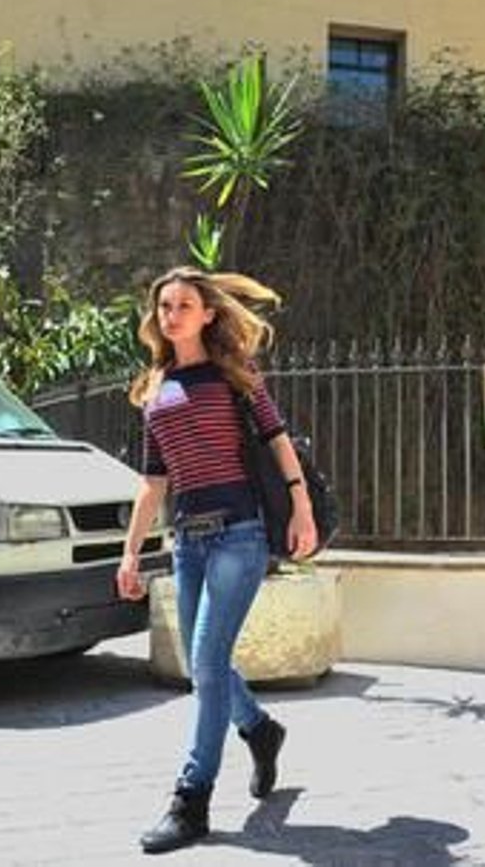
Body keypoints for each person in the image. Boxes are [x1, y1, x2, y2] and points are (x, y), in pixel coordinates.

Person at [117, 266, 318, 855]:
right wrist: (131, 552)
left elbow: (278, 439)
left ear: (207, 314)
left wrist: (301, 507)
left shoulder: (235, 376)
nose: (170, 314)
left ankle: (191, 800)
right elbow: (154, 481)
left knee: (205, 663)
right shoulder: (155, 388)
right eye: (163, 306)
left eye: (183, 304)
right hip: (189, 539)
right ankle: (259, 728)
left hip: (239, 534)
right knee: (206, 661)